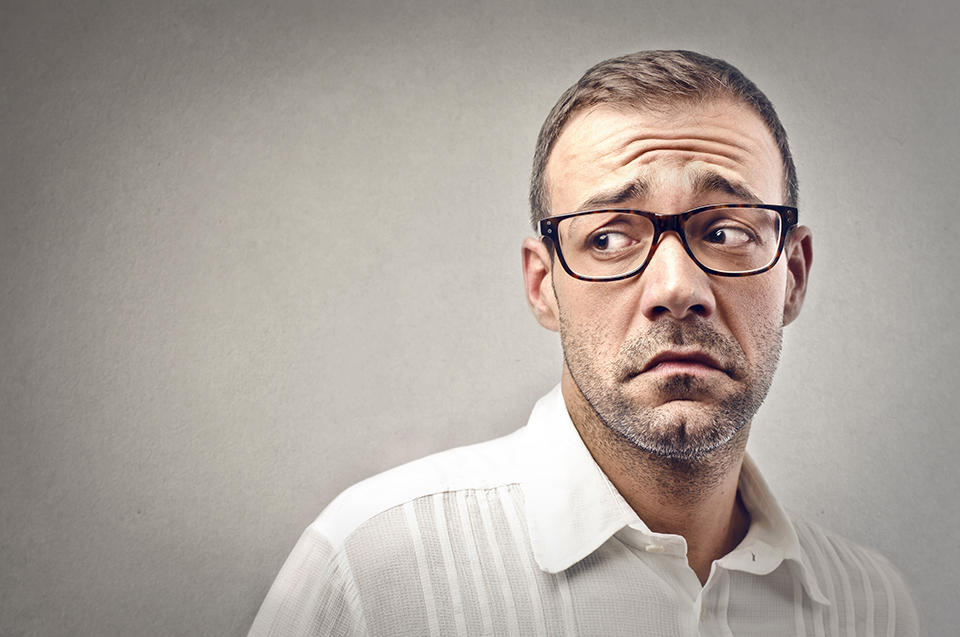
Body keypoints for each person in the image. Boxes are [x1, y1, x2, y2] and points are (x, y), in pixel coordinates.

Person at [248, 50, 919, 636]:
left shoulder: (869, 607)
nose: (676, 287)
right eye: (609, 237)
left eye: (725, 232)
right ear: (543, 284)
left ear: (793, 276)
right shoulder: (371, 572)